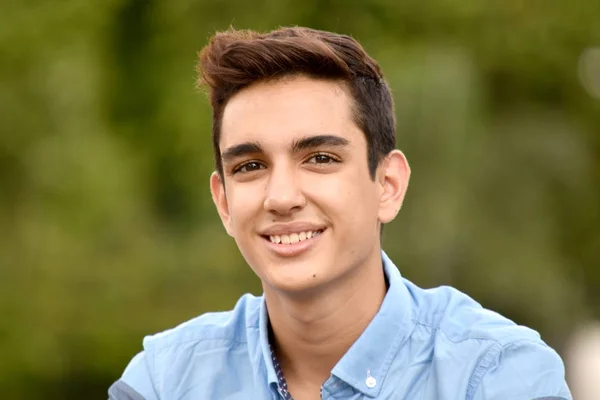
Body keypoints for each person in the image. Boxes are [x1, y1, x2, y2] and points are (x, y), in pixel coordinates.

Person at [108, 26, 572, 400]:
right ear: (224, 202)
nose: (281, 196)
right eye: (250, 166)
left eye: (320, 158)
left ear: (387, 186)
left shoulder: (498, 377)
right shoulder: (164, 382)